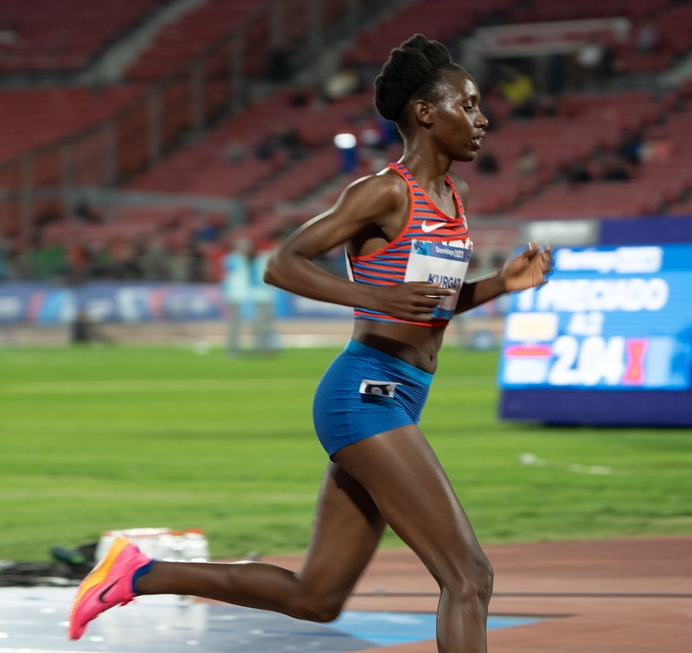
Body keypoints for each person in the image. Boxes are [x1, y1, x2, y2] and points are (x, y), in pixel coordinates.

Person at [67, 34, 553, 653]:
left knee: (316, 598)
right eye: (470, 104)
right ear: (427, 113)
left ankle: (136, 573)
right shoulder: (385, 192)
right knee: (469, 576)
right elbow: (282, 263)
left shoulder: (453, 201)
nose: (484, 119)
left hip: (400, 399)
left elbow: (429, 307)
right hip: (365, 395)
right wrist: (372, 299)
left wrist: (499, 285)